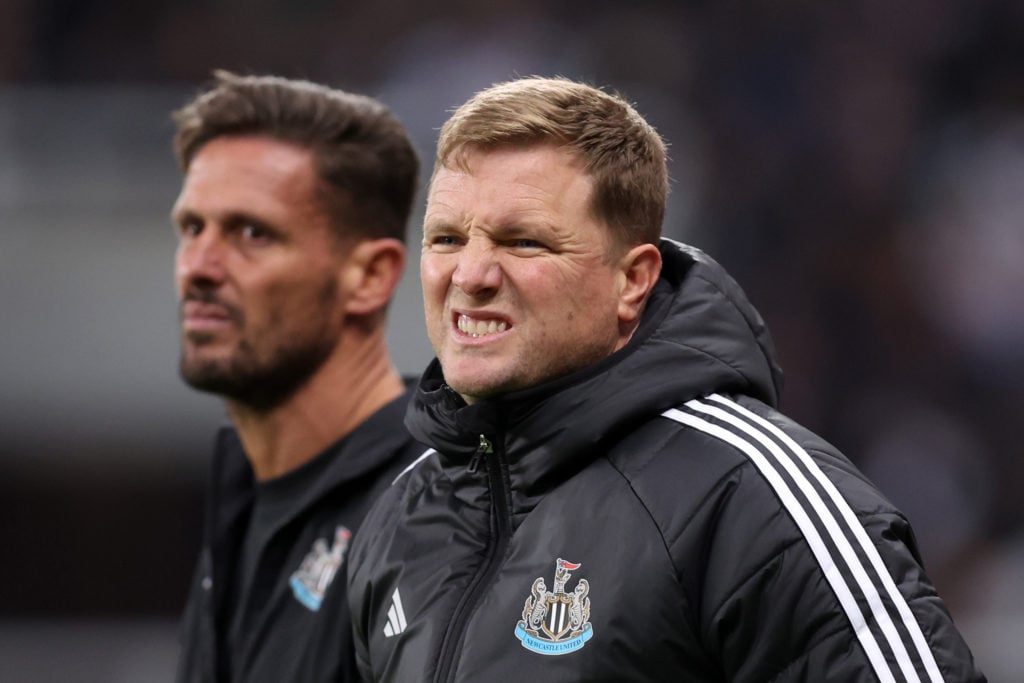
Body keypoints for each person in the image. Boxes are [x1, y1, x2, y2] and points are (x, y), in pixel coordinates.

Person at [346, 76, 985, 682]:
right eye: (447, 238)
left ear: (632, 280)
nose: (470, 274)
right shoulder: (402, 515)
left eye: (524, 242)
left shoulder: (752, 497)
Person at [169, 71, 424, 682]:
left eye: (251, 233)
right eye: (191, 228)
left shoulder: (432, 506)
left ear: (369, 276)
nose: (199, 267)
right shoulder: (240, 498)